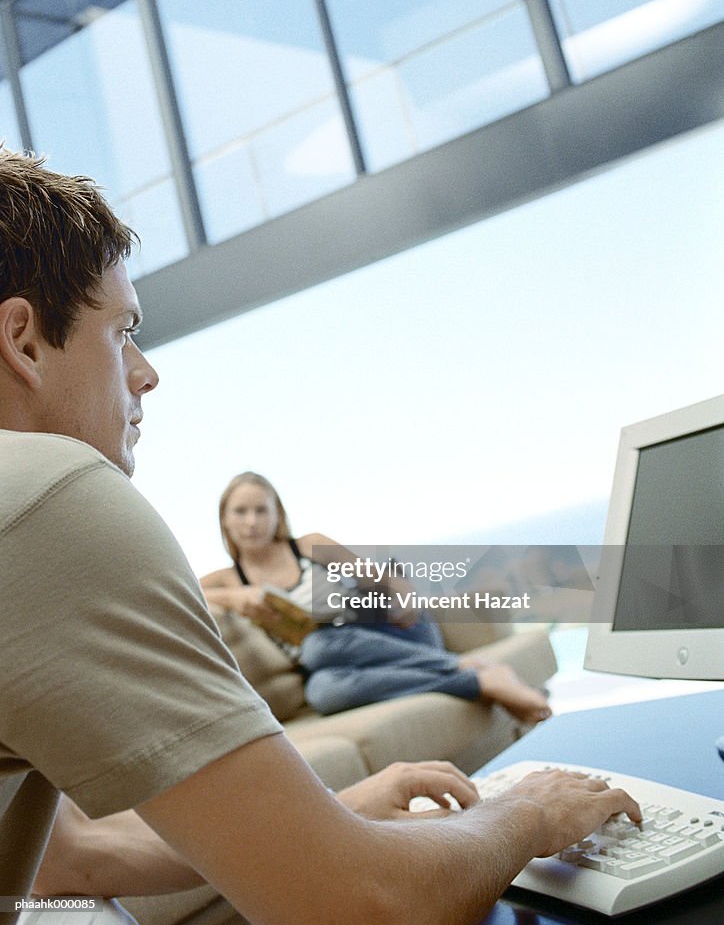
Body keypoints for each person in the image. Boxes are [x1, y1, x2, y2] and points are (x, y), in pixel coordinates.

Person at [0, 149, 641, 925]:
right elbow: (358, 906)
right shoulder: (48, 495)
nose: (145, 373)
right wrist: (529, 813)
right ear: (24, 341)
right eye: (122, 332)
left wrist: (338, 812)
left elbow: (65, 857)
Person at [201, 472, 553, 722]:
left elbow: (391, 584)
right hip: (351, 668)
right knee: (322, 692)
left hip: (395, 633)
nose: (251, 522)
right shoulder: (229, 579)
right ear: (225, 520)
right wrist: (235, 597)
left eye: (261, 510)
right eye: (240, 512)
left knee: (317, 646)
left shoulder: (308, 546)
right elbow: (184, 589)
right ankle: (479, 677)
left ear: (277, 514)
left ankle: (458, 664)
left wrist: (405, 600)